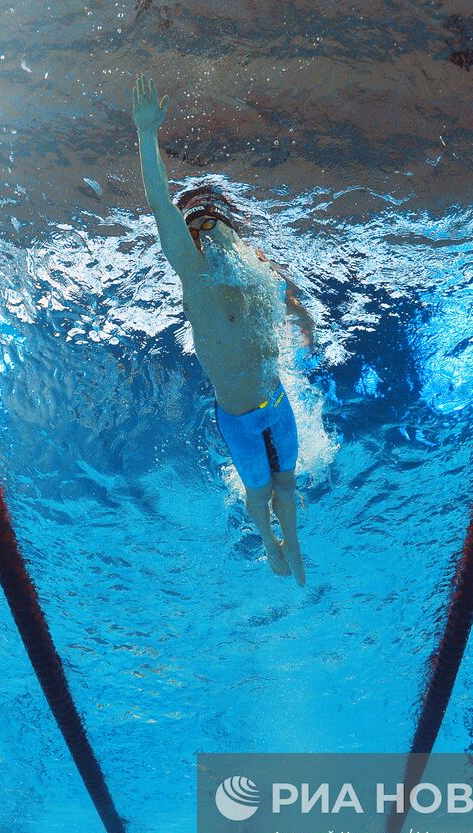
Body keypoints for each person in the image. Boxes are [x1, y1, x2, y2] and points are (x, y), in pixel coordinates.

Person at [131, 76, 317, 585]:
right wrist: (147, 134)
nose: (208, 236)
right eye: (199, 232)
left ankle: (293, 545)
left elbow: (287, 297)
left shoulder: (255, 270)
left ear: (233, 229)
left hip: (275, 403)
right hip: (237, 416)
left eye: (215, 226)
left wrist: (303, 322)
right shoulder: (196, 276)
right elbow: (160, 207)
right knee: (260, 495)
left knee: (286, 484)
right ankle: (269, 543)